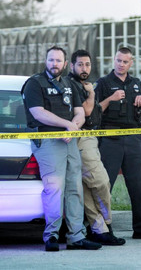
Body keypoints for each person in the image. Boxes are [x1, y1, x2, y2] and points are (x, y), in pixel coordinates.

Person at [21, 46, 102, 251]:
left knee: (75, 188)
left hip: (70, 141)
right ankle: (51, 236)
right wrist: (66, 125)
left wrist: (73, 126)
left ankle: (76, 237)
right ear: (45, 61)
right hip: (48, 141)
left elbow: (80, 112)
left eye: (58, 61)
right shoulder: (34, 83)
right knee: (54, 189)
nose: (54, 64)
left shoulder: (68, 84)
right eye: (51, 60)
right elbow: (38, 113)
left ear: (65, 64)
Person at [95, 47, 141, 240]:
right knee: (105, 186)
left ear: (131, 63)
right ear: (113, 60)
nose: (121, 64)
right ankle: (103, 228)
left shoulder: (137, 84)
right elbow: (94, 111)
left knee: (138, 185)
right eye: (118, 60)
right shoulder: (103, 84)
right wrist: (111, 98)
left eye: (125, 61)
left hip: (133, 139)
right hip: (109, 139)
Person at [67, 49, 125, 245]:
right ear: (71, 65)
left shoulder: (82, 84)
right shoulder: (73, 85)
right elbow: (87, 110)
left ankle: (98, 229)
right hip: (82, 138)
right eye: (80, 64)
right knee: (100, 182)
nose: (84, 68)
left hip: (90, 138)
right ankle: (107, 224)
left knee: (87, 188)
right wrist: (91, 93)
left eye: (88, 64)